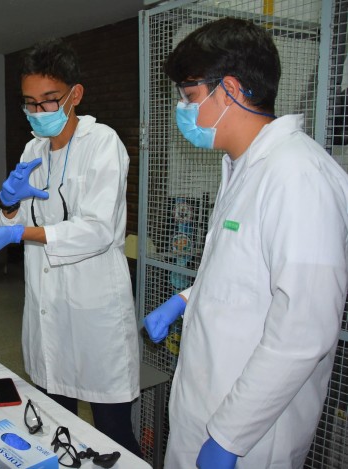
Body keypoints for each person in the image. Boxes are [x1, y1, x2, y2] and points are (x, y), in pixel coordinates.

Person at [143, 18, 348, 469]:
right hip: (208, 405)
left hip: (252, 437)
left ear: (230, 89)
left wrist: (230, 437)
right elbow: (249, 275)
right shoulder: (243, 167)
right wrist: (184, 299)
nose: (183, 109)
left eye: (190, 96)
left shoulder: (298, 178)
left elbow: (304, 329)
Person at [0, 38, 142, 456]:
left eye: (49, 101)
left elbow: (97, 230)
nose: (38, 112)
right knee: (54, 425)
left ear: (74, 95)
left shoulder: (103, 144)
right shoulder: (33, 148)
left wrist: (20, 234)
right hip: (47, 312)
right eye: (29, 103)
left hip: (94, 312)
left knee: (112, 435)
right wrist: (8, 201)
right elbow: (18, 219)